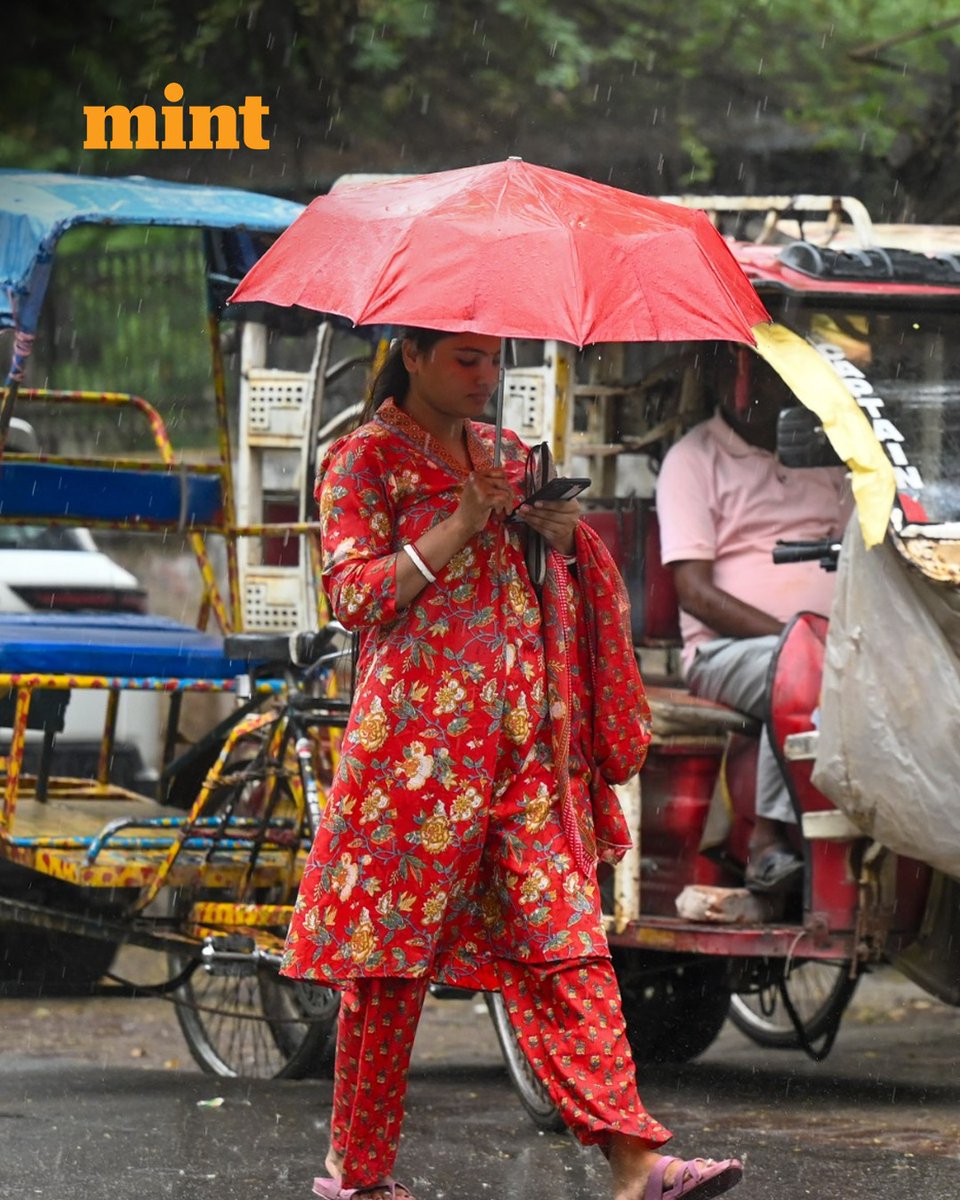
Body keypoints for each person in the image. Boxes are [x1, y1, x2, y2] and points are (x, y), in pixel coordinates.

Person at [281, 328, 744, 1200]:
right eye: (465, 359)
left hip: (524, 752)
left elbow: (553, 580)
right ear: (410, 356)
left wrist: (566, 537)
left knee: (569, 946)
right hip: (412, 760)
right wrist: (460, 521)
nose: (486, 377)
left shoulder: (509, 453)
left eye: (494, 359)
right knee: (387, 971)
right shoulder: (361, 462)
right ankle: (359, 1177)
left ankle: (636, 1163)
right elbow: (353, 597)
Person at [656, 346, 853, 893]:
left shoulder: (830, 455)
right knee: (798, 672)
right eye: (742, 373)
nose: (754, 388)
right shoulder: (693, 460)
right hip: (723, 653)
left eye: (768, 373)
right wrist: (799, 641)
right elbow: (693, 592)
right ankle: (768, 839)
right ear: (720, 379)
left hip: (839, 645)